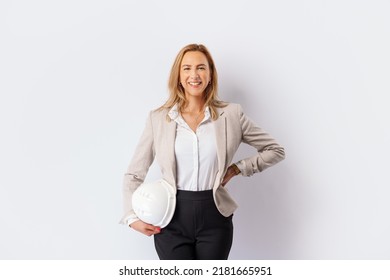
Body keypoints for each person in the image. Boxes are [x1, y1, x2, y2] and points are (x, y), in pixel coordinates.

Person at [120, 43, 285, 260]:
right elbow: (134, 174)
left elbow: (275, 150)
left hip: (215, 218)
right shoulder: (159, 119)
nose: (194, 75)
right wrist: (132, 218)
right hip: (170, 218)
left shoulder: (231, 115)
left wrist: (238, 168)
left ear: (210, 75)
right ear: (178, 76)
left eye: (201, 68)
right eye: (187, 68)